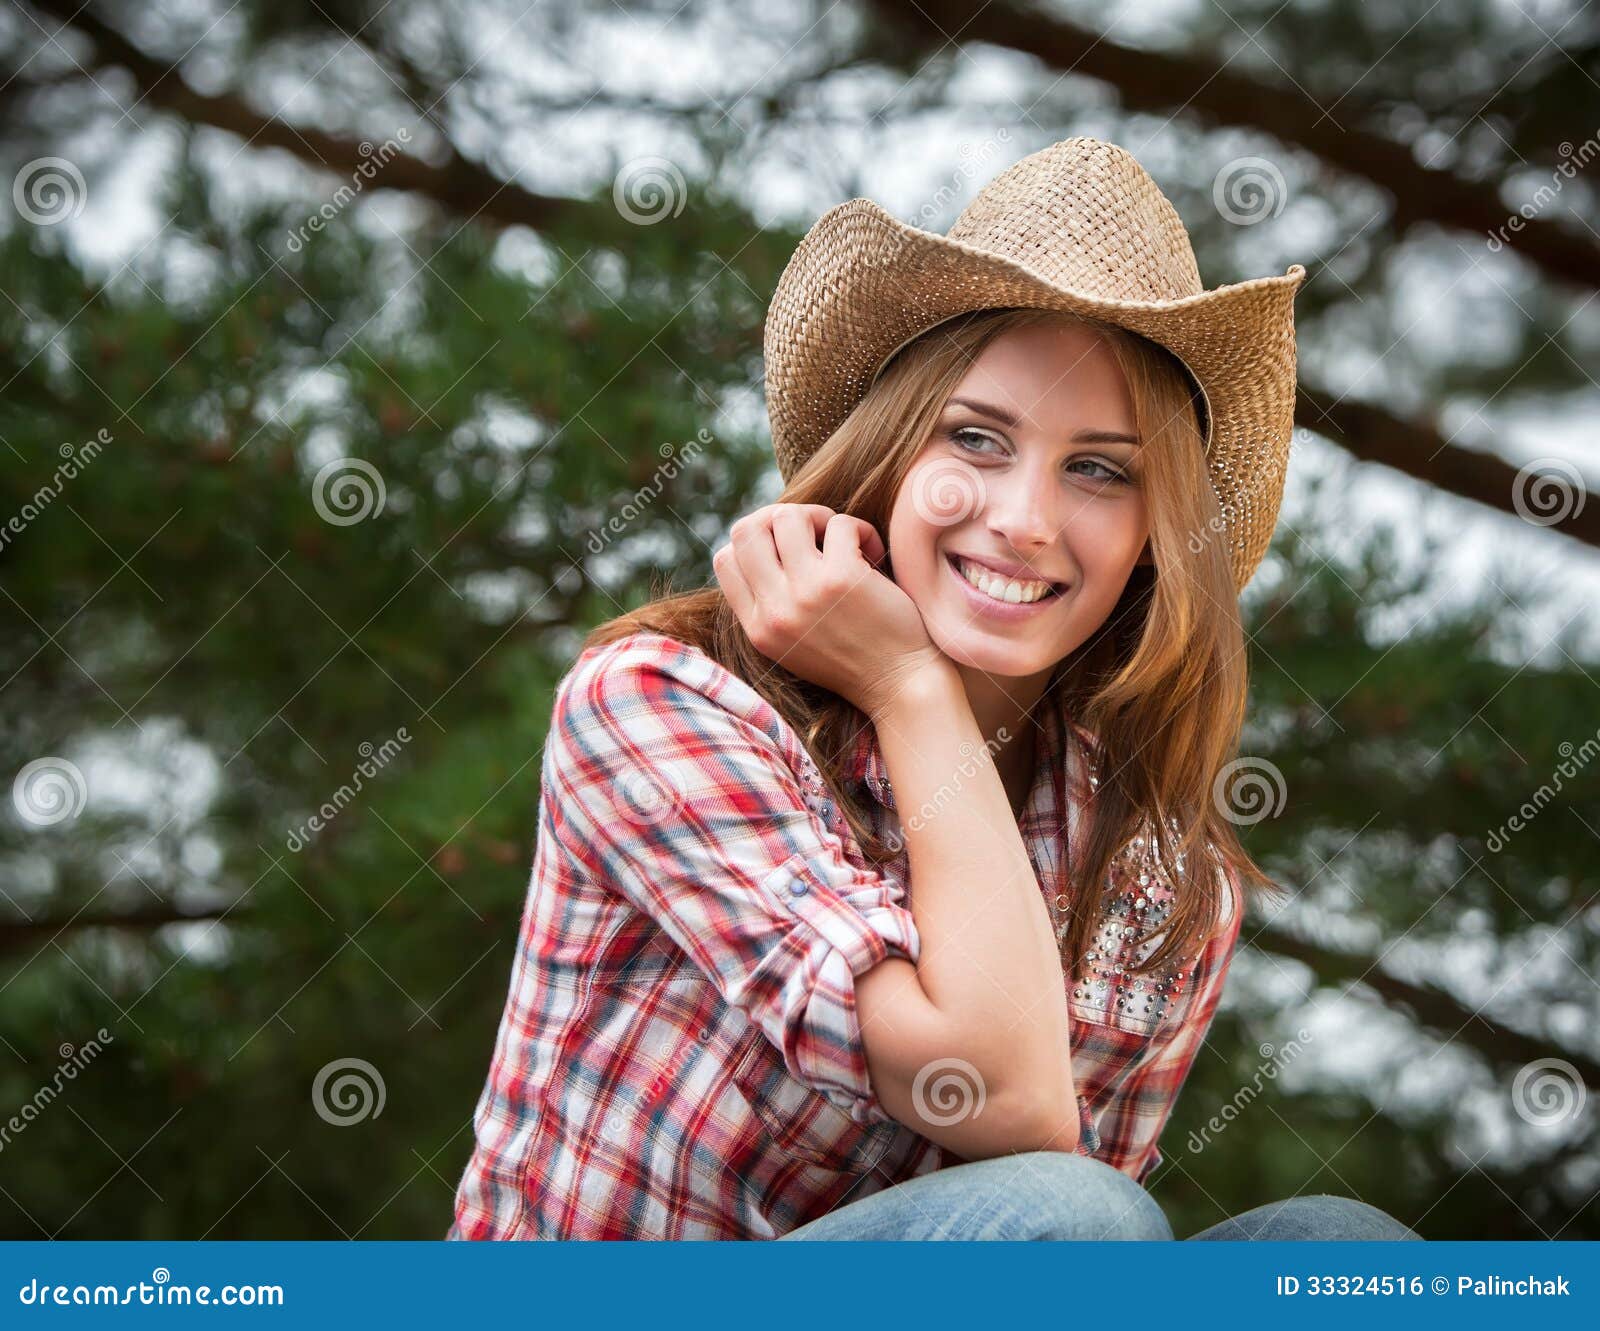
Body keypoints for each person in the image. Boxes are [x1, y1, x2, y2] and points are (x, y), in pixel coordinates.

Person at [447, 136, 1420, 1241]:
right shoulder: (661, 703)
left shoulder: (1163, 880)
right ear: (891, 454)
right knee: (1076, 1213)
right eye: (975, 438)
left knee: (1339, 1249)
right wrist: (909, 682)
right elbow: (1011, 1110)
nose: (1023, 519)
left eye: (1098, 468)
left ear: (1156, 535)